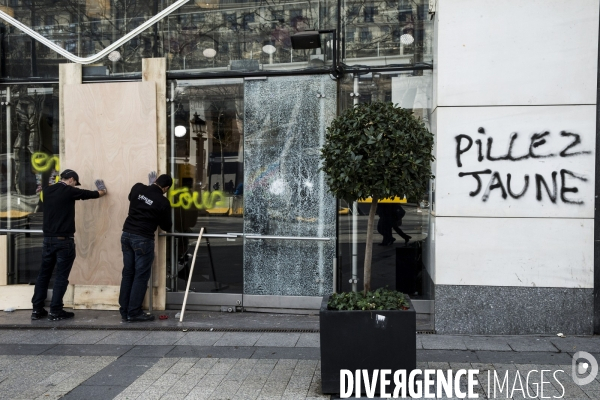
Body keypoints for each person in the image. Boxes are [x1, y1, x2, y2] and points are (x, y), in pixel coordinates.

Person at [31, 169, 107, 321]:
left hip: (48, 240)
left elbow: (49, 187)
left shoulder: (47, 190)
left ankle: (37, 310)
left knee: (43, 276)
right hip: (63, 241)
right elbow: (91, 195)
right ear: (71, 179)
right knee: (61, 276)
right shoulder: (69, 191)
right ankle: (55, 310)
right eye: (75, 182)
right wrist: (102, 190)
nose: (75, 185)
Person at [119, 172, 172, 322]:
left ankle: (124, 310)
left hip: (126, 235)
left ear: (155, 181)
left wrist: (147, 194)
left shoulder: (137, 188)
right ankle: (134, 312)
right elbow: (166, 226)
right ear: (166, 188)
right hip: (143, 239)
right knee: (141, 276)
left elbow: (132, 199)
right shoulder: (162, 202)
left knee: (128, 273)